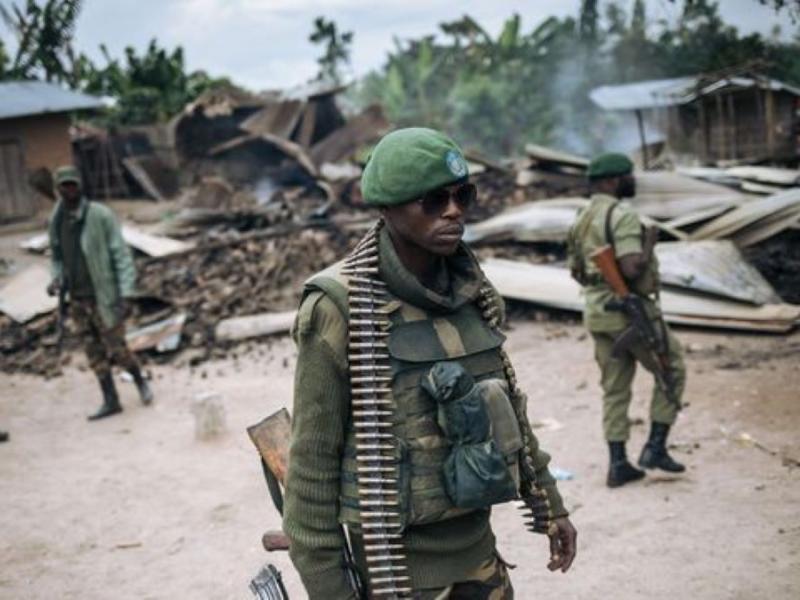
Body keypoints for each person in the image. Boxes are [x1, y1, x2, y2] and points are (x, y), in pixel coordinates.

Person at [283, 128, 576, 599]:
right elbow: (311, 468)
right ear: (387, 207)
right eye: (433, 200)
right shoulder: (339, 307)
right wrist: (330, 589)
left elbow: (509, 414)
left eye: (463, 195)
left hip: (479, 556)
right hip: (396, 571)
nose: (454, 210)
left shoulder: (472, 293)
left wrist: (550, 504)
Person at [566, 153, 687, 488]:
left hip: (596, 312)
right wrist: (648, 245)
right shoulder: (621, 215)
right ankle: (655, 447)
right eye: (628, 176)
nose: (633, 181)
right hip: (628, 311)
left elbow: (576, 270)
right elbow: (632, 267)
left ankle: (618, 463)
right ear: (612, 181)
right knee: (671, 368)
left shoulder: (583, 216)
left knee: (615, 387)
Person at [47, 165, 153, 420]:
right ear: (58, 189)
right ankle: (110, 399)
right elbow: (56, 256)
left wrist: (127, 291)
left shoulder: (100, 216)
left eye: (73, 184)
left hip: (104, 296)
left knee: (118, 348)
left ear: (79, 186)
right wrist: (56, 278)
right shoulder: (57, 219)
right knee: (93, 351)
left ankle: (140, 382)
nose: (69, 189)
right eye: (65, 185)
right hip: (77, 299)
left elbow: (121, 254)